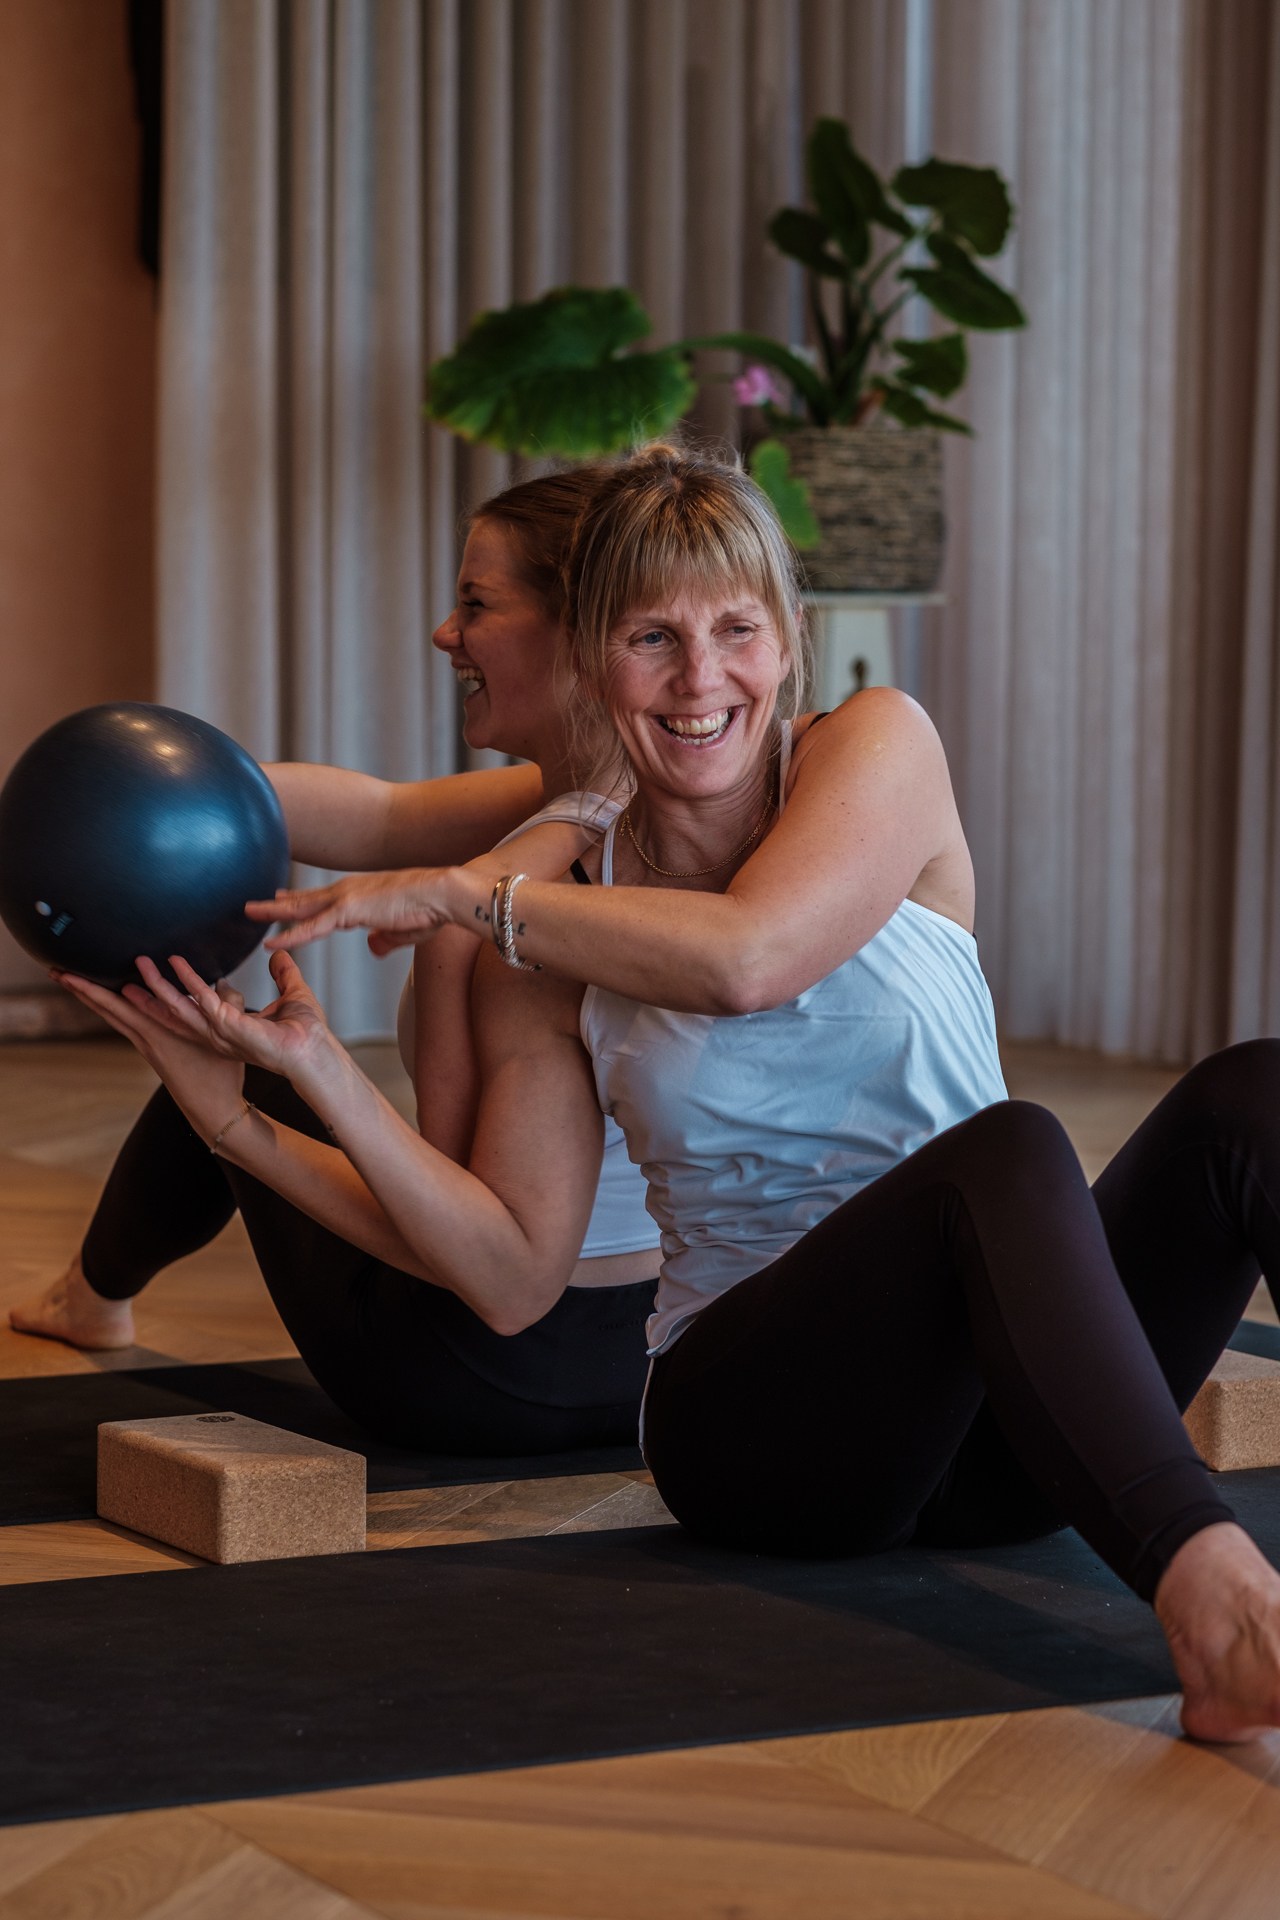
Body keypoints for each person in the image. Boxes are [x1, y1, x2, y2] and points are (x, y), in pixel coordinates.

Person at [53, 444, 1280, 1742]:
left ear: (786, 641)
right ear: (593, 663)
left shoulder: (876, 747)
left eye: (735, 630)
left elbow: (748, 958)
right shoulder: (546, 932)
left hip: (1000, 1435)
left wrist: (470, 896)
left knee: (1250, 1097)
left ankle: (1201, 1578)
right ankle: (1215, 1604)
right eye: (652, 638)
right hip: (761, 1438)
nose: (702, 678)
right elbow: (509, 1277)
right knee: (1011, 1154)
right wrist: (267, 1102)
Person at [10, 467, 661, 1456]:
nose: (445, 633)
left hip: (483, 1372)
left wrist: (239, 1116)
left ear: (579, 636)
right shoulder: (654, 821)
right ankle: (93, 1290)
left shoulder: (495, 924)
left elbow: (474, 1253)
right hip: (658, 1355)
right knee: (257, 1060)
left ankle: (89, 1297)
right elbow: (382, 815)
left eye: (476, 605)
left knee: (235, 1057)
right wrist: (142, 799)